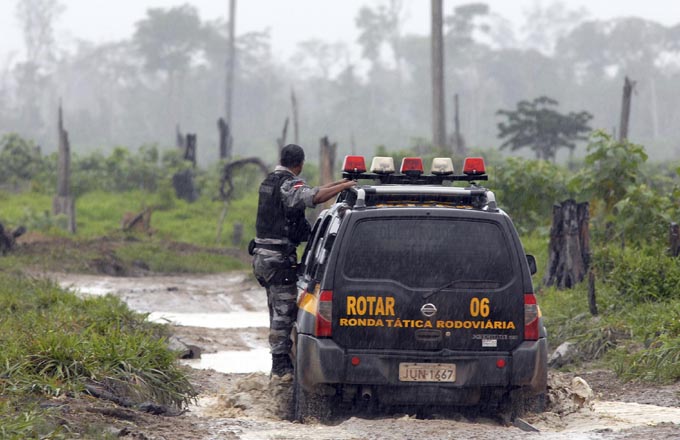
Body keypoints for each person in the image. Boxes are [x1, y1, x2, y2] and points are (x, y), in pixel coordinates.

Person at [251, 144, 355, 377]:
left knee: (276, 309)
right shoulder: (290, 184)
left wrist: (342, 184)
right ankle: (280, 366)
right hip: (277, 259)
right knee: (284, 313)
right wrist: (344, 186)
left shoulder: (270, 181)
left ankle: (279, 363)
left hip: (263, 257)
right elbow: (313, 196)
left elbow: (312, 189)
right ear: (299, 165)